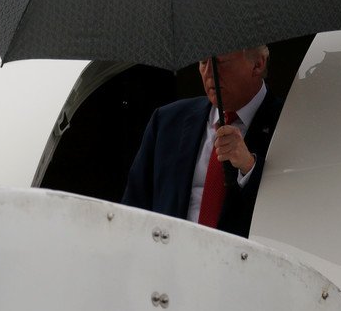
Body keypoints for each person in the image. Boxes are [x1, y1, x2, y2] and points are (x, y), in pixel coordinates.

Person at [121, 46, 282, 237]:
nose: (209, 73)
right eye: (203, 62)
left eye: (220, 62)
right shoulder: (167, 121)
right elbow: (132, 208)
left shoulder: (290, 122)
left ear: (257, 64)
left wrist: (249, 167)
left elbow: (293, 208)